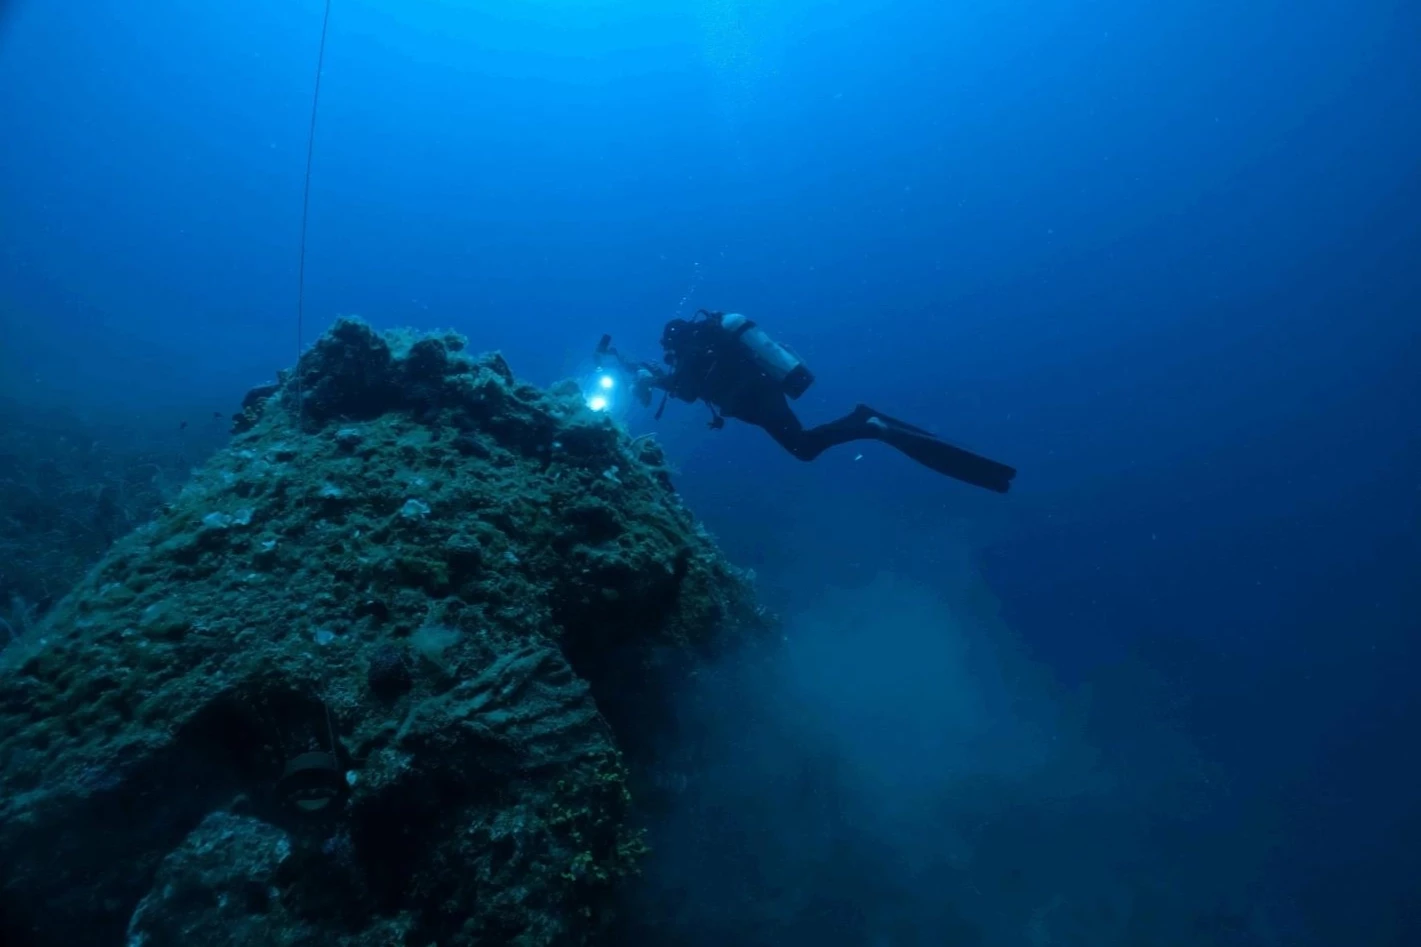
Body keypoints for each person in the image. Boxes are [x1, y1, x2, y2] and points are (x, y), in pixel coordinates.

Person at [601, 310, 1017, 494]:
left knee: (803, 448)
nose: (669, 356)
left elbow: (688, 390)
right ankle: (865, 421)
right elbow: (686, 383)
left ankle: (866, 422)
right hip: (761, 396)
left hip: (758, 401)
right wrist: (649, 373)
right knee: (802, 446)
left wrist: (653, 378)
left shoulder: (693, 350)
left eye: (668, 351)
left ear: (674, 341)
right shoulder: (704, 346)